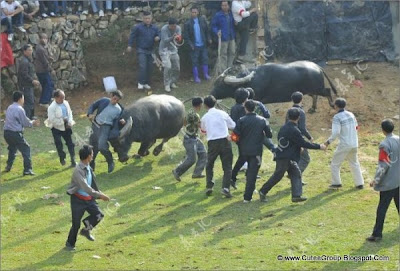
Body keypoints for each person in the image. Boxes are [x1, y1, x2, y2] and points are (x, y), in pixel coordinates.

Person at [258, 108, 326, 203]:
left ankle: (296, 196)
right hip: (286, 157)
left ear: (288, 116)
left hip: (284, 155)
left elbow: (284, 140)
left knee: (296, 173)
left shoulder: (284, 128)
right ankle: (263, 191)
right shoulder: (295, 130)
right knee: (277, 176)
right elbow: (303, 143)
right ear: (298, 118)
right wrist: (319, 146)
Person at [65, 144, 110, 251]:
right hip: (78, 200)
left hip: (89, 199)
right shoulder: (78, 170)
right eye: (92, 154)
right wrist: (100, 195)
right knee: (75, 224)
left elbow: (92, 184)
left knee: (99, 215)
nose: (93, 155)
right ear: (88, 156)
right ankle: (70, 244)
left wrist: (100, 193)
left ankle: (86, 229)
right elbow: (86, 187)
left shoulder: (88, 167)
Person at [230, 87, 273, 189]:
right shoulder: (244, 108)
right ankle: (247, 176)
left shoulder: (234, 108)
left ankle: (233, 176)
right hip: (250, 136)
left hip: (239, 135)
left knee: (242, 157)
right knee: (251, 157)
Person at [366, 119, 399, 242]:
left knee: (382, 208)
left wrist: (376, 179)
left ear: (383, 130)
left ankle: (377, 234)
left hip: (389, 182)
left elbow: (383, 164)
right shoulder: (398, 139)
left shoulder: (384, 145)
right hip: (398, 180)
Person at [324, 98, 365, 189]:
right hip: (354, 143)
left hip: (345, 144)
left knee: (335, 164)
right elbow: (356, 127)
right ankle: (360, 183)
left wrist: (327, 142)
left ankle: (336, 183)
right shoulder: (351, 114)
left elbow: (336, 133)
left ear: (336, 106)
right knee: (354, 163)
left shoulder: (337, 117)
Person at [201, 95, 236, 198]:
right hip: (225, 141)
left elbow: (203, 130)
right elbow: (233, 125)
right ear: (215, 103)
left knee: (209, 164)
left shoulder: (205, 118)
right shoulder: (222, 113)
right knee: (227, 166)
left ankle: (209, 185)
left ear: (205, 105)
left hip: (212, 143)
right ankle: (225, 188)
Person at [87, 90, 125, 173]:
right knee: (92, 147)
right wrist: (90, 114)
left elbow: (121, 118)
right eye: (114, 98)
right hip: (95, 125)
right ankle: (91, 167)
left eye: (117, 100)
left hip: (106, 127)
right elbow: (93, 106)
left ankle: (110, 160)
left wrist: (122, 121)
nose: (115, 101)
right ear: (111, 96)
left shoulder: (118, 109)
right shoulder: (104, 101)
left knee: (102, 146)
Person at [3, 91, 40, 175]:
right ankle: (27, 169)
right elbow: (25, 122)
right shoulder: (20, 109)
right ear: (20, 99)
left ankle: (8, 166)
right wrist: (33, 123)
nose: (24, 100)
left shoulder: (10, 107)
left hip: (6, 133)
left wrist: (30, 121)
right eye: (23, 98)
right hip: (15, 133)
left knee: (12, 148)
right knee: (26, 148)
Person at [172, 97, 207, 182]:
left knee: (203, 153)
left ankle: (197, 173)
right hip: (190, 140)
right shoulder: (195, 115)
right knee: (191, 159)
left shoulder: (189, 112)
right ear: (200, 105)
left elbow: (184, 122)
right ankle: (177, 171)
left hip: (194, 138)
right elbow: (201, 126)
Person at [127, 11, 160, 90]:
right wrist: (129, 45)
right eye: (146, 18)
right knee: (143, 66)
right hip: (141, 49)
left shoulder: (155, 27)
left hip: (151, 50)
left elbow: (160, 34)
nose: (147, 20)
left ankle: (146, 83)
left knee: (150, 67)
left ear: (151, 18)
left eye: (149, 18)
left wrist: (158, 37)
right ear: (142, 19)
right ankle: (140, 83)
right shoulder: (138, 27)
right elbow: (132, 36)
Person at [285, 91, 313, 183]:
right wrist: (309, 137)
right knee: (305, 159)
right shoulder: (301, 112)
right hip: (298, 137)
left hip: (289, 136)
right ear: (301, 100)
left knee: (296, 158)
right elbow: (302, 128)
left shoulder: (289, 111)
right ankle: (294, 175)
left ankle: (297, 177)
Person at [45, 90, 76, 167]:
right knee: (59, 143)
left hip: (67, 126)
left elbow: (70, 113)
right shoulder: (51, 107)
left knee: (70, 143)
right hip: (56, 128)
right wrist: (62, 121)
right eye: (61, 98)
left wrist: (69, 122)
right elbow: (52, 119)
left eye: (63, 97)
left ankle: (73, 160)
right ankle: (62, 158)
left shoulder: (66, 103)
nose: (63, 99)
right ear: (56, 98)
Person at [184, 6, 212, 83]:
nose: (194, 14)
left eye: (195, 12)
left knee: (205, 59)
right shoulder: (187, 23)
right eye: (192, 12)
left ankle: (206, 74)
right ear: (190, 13)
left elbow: (207, 31)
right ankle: (196, 77)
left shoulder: (202, 20)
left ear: (198, 12)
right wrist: (191, 45)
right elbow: (186, 36)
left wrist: (209, 39)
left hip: (203, 45)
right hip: (194, 46)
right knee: (195, 61)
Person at [211, 1, 236, 74]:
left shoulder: (231, 14)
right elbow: (213, 26)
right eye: (223, 5)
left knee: (232, 52)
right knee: (223, 54)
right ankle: (224, 71)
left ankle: (229, 68)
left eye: (226, 5)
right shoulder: (218, 15)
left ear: (228, 6)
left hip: (231, 37)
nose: (224, 7)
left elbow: (233, 23)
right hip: (223, 38)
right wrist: (217, 31)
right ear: (221, 6)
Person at [17, 44, 40, 120]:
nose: (31, 52)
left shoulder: (27, 60)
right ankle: (27, 118)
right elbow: (24, 74)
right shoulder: (24, 61)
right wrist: (32, 80)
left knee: (31, 100)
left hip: (28, 85)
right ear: (24, 51)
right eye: (29, 50)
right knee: (28, 101)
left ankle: (30, 116)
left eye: (31, 50)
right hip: (25, 85)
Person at [159, 17, 181, 93]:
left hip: (173, 50)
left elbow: (179, 39)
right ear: (168, 25)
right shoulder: (164, 29)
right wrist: (172, 37)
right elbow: (165, 40)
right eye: (172, 26)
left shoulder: (178, 28)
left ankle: (172, 82)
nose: (173, 28)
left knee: (177, 67)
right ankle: (167, 84)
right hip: (164, 50)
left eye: (174, 26)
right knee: (168, 66)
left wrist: (178, 38)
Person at [34, 33, 54, 107]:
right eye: (43, 38)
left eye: (46, 38)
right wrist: (51, 69)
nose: (45, 40)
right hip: (42, 70)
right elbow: (44, 61)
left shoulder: (42, 47)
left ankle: (46, 98)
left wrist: (49, 58)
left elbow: (45, 57)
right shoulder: (40, 49)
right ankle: (44, 101)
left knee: (48, 84)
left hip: (42, 70)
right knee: (48, 85)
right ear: (40, 39)